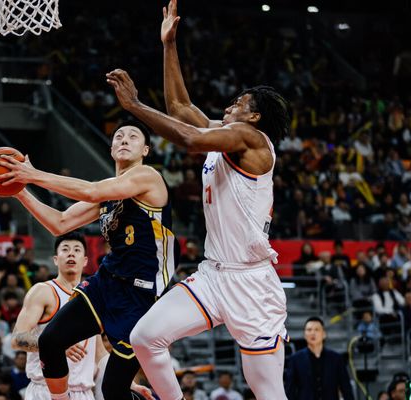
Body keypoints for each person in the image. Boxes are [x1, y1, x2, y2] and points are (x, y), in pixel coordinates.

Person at [106, 1, 289, 398]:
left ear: (254, 117)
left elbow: (188, 139)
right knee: (145, 337)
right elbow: (180, 109)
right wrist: (169, 45)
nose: (230, 106)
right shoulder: (224, 135)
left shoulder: (252, 139)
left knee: (268, 392)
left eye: (239, 103)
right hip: (213, 274)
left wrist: (135, 106)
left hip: (252, 284)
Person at [0, 120, 173, 400]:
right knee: (51, 340)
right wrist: (20, 191)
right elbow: (60, 223)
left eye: (133, 136)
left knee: (113, 390)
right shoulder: (108, 197)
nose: (125, 139)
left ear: (146, 150)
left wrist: (33, 175)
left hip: (140, 293)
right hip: (108, 281)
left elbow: (91, 190)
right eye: (119, 136)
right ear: (111, 148)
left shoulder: (147, 176)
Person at [10, 232, 99, 400]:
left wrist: (128, 382)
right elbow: (17, 339)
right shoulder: (43, 291)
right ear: (56, 260)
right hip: (45, 390)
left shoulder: (92, 298)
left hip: (84, 393)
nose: (71, 253)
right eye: (65, 249)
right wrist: (55, 347)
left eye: (77, 250)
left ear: (85, 261)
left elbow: (100, 354)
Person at [284, 317, 354, 400]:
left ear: (324, 334)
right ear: (304, 335)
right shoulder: (295, 360)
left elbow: (347, 390)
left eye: (316, 330)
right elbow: (289, 392)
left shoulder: (336, 359)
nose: (312, 333)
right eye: (309, 330)